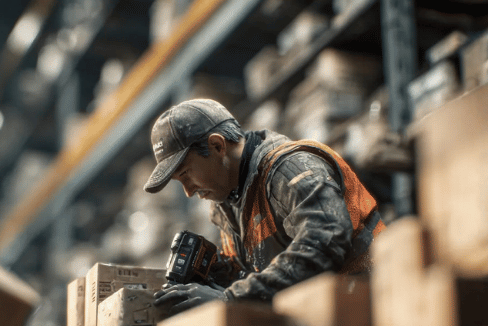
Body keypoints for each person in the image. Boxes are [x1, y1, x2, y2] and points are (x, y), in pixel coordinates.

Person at [147, 98, 385, 314]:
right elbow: (261, 273)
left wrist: (229, 298)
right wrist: (218, 273)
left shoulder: (289, 169)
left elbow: (324, 243)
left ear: (217, 146)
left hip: (376, 303)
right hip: (326, 318)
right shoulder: (226, 203)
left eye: (186, 174)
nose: (188, 192)